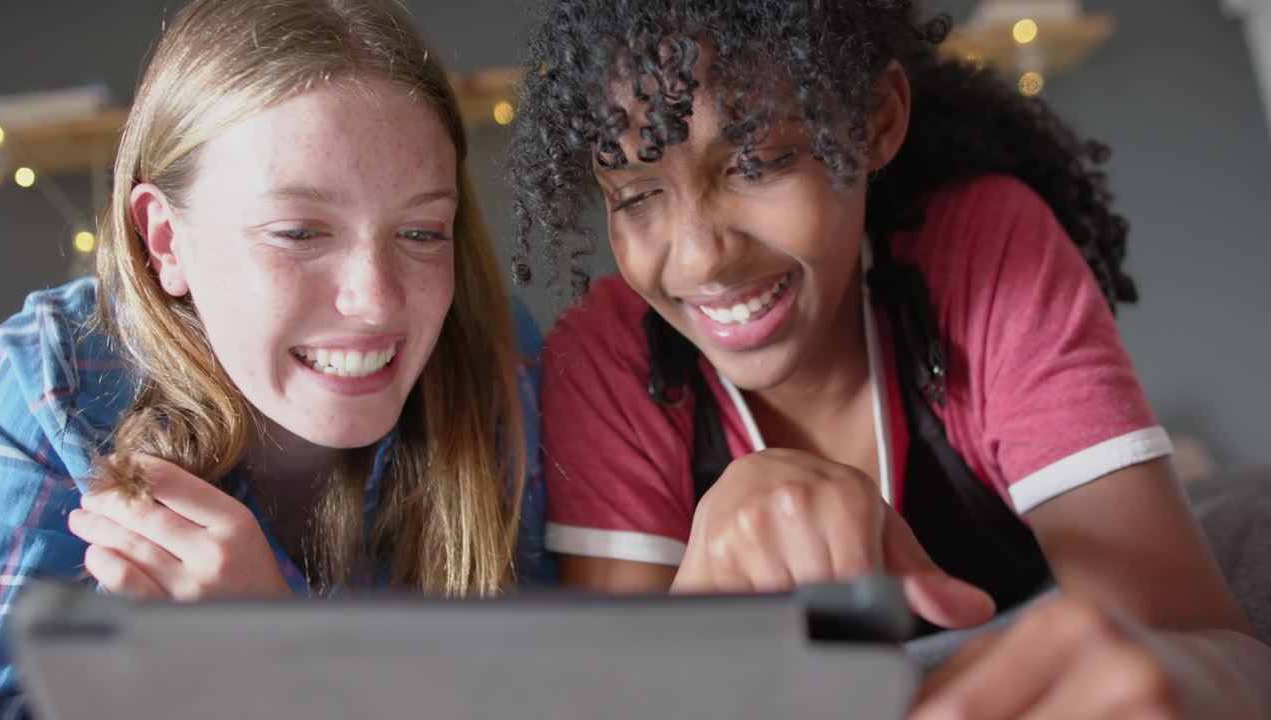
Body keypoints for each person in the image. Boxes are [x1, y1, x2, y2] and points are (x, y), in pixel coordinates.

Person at [507, 0, 1271, 716]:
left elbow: (1213, 648)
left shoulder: (980, 252)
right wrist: (700, 621)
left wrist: (1168, 674)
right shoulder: (609, 360)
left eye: (756, 162)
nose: (702, 258)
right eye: (637, 196)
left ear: (876, 119)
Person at [0, 0, 553, 714]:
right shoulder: (61, 386)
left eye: (420, 232)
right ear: (165, 242)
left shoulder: (501, 367)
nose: (377, 301)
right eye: (298, 232)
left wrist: (283, 649)